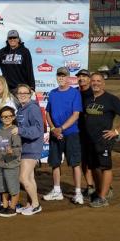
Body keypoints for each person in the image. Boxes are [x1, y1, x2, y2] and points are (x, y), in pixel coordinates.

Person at [84, 73, 120, 208]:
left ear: (103, 83)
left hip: (104, 140)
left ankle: (103, 198)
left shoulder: (110, 99)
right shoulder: (88, 99)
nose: (96, 83)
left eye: (98, 81)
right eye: (93, 81)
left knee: (105, 167)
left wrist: (117, 131)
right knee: (94, 167)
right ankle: (102, 190)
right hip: (90, 140)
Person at [44, 67, 84, 205]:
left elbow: (76, 114)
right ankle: (57, 191)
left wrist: (61, 128)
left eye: (64, 75)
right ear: (56, 77)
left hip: (71, 133)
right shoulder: (52, 93)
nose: (61, 78)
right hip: (56, 134)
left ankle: (78, 193)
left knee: (75, 163)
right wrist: (54, 128)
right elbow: (48, 113)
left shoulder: (74, 93)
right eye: (59, 75)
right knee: (55, 163)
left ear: (68, 77)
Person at [13, 84, 44, 215]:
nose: (22, 95)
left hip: (32, 147)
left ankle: (36, 205)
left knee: (23, 177)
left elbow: (38, 130)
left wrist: (20, 130)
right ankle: (29, 204)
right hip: (24, 146)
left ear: (30, 94)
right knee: (30, 178)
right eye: (20, 93)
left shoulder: (33, 108)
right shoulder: (21, 108)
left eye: (25, 93)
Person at [0, 106, 22, 218]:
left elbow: (18, 149)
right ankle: (4, 207)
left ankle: (12, 208)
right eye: (4, 117)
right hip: (0, 164)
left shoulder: (15, 131)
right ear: (1, 118)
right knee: (2, 187)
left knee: (12, 187)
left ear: (13, 117)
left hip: (11, 164)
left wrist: (12, 151)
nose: (7, 118)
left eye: (9, 116)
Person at [75, 69, 96, 199]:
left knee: (94, 162)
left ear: (89, 79)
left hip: (92, 132)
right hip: (78, 131)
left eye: (84, 76)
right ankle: (89, 186)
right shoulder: (75, 93)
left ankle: (101, 186)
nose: (81, 78)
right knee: (83, 161)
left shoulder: (94, 93)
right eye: (80, 76)